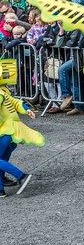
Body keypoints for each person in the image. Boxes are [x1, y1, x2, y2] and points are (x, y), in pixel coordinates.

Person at [0, 59, 42, 197]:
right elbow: (16, 102)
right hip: (12, 132)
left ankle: (21, 176)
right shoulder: (3, 91)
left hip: (5, 132)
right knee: (1, 160)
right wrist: (26, 109)